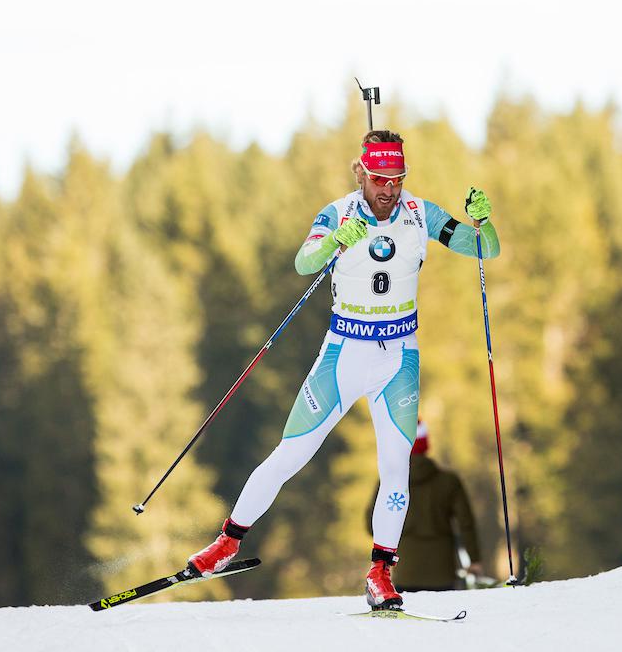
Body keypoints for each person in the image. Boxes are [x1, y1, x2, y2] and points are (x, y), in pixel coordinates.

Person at [186, 130, 500, 610]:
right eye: (379, 179)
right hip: (344, 353)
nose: (388, 189)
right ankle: (228, 542)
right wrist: (335, 239)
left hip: (398, 357)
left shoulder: (420, 214)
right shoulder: (339, 212)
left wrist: (483, 222)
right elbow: (303, 261)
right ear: (362, 174)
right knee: (290, 454)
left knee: (397, 471)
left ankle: (381, 571)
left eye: (396, 179)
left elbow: (484, 250)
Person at [370, 421, 483, 592]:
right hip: (443, 571)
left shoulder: (390, 481)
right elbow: (466, 523)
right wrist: (474, 560)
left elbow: (372, 522)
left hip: (405, 571)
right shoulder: (449, 481)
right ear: (426, 445)